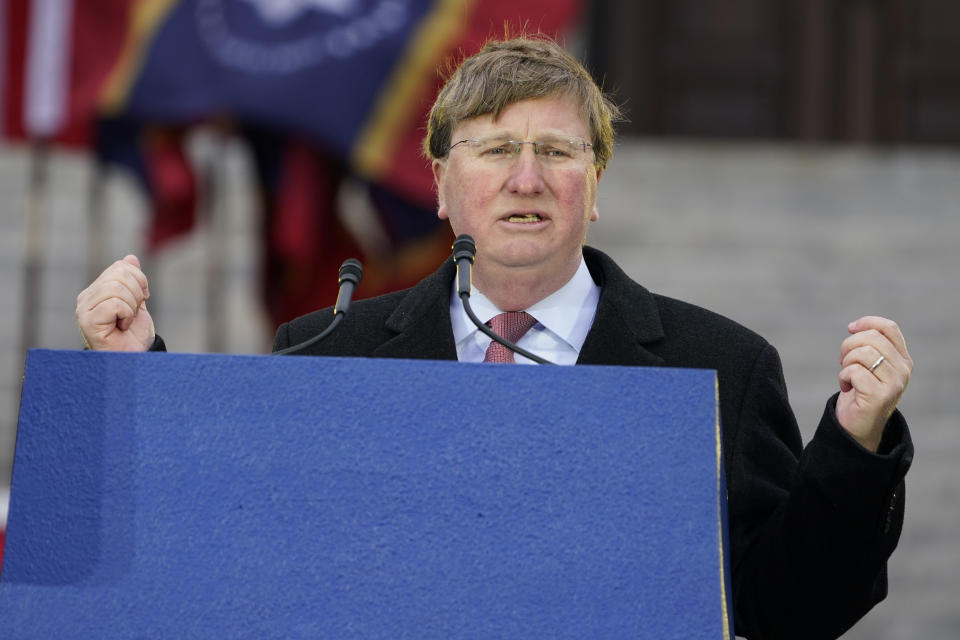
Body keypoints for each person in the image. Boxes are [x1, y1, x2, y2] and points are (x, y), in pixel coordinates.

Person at [76, 36, 914, 639]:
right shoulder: (328, 349)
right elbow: (230, 554)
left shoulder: (722, 367)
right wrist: (132, 380)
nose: (526, 177)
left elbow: (789, 609)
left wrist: (856, 441)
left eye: (557, 150)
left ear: (595, 188)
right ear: (440, 186)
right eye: (495, 149)